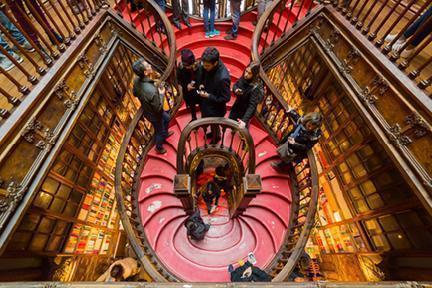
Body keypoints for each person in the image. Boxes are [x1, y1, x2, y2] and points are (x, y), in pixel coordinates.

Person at [132, 58, 172, 154]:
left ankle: (165, 134)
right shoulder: (151, 91)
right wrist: (161, 94)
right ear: (145, 72)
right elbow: (158, 109)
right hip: (155, 115)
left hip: (149, 112)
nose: (150, 64)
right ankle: (158, 147)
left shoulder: (137, 80)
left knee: (167, 118)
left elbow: (135, 93)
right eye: (148, 65)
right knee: (159, 132)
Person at [196, 47, 231, 144]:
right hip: (206, 104)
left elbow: (226, 98)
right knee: (210, 123)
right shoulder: (208, 65)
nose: (204, 67)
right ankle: (212, 133)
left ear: (215, 63)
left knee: (215, 125)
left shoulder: (222, 78)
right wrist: (202, 83)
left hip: (215, 109)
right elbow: (204, 72)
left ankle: (216, 138)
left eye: (207, 66)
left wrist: (208, 96)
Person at [271, 108, 322, 173]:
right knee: (284, 150)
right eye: (309, 125)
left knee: (288, 158)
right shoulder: (303, 121)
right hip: (290, 140)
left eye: (313, 127)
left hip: (296, 149)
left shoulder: (314, 136)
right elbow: (297, 117)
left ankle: (280, 167)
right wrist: (291, 111)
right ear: (307, 120)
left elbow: (306, 147)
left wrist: (294, 144)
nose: (310, 128)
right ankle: (280, 158)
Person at [229, 62, 263, 127]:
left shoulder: (255, 87)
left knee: (241, 129)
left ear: (254, 75)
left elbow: (252, 105)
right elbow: (236, 84)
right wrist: (236, 90)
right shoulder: (244, 77)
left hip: (245, 111)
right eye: (246, 71)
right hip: (237, 106)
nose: (246, 74)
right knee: (231, 123)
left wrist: (244, 120)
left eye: (249, 73)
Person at [176, 49, 200, 121]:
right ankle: (193, 118)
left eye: (189, 66)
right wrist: (186, 86)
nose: (188, 68)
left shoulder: (198, 66)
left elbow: (202, 78)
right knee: (191, 105)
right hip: (188, 92)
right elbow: (178, 80)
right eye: (186, 66)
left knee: (202, 103)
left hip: (198, 90)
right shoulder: (181, 68)